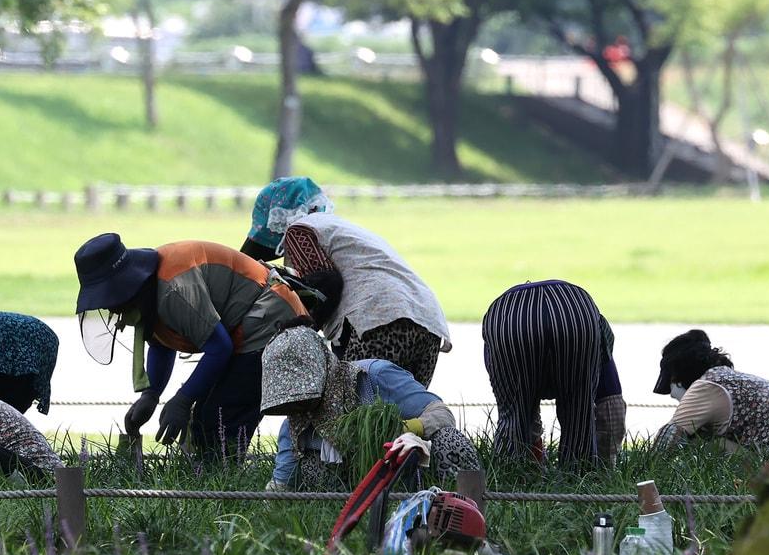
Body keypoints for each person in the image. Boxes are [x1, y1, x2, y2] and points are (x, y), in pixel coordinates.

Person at [74, 234, 307, 456]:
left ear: (125, 287)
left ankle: (224, 491)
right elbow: (162, 344)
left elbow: (219, 348)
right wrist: (151, 395)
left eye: (109, 298)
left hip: (268, 319)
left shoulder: (173, 289)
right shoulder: (147, 293)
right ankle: (213, 485)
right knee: (205, 418)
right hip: (242, 328)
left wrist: (183, 400)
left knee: (219, 419)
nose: (110, 309)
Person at [240, 176, 451, 386]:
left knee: (355, 413)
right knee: (406, 411)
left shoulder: (299, 230)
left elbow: (325, 284)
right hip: (428, 322)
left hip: (378, 319)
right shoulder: (340, 228)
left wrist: (301, 331)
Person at [260, 322, 479, 491]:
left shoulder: (374, 376)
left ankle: (462, 509)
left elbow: (442, 414)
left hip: (410, 473)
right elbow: (282, 485)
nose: (299, 406)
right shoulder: (296, 424)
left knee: (450, 440)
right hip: (353, 494)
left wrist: (406, 429)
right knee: (310, 467)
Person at [482, 280, 625, 466]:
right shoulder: (597, 331)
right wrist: (605, 467)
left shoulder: (499, 331)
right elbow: (611, 403)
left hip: (508, 319)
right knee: (579, 413)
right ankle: (579, 482)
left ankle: (514, 482)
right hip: (575, 310)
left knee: (515, 416)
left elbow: (514, 407)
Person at [652, 329, 769, 455]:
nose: (672, 396)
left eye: (672, 385)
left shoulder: (707, 385)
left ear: (680, 377)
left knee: (702, 442)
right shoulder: (727, 379)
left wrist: (642, 472)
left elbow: (669, 435)